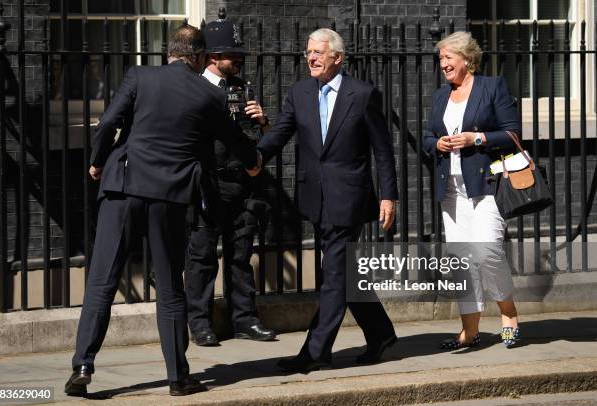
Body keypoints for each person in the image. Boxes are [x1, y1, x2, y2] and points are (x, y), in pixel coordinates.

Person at [64, 25, 259, 397]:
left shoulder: (140, 76)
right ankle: (177, 376)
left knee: (102, 280)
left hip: (122, 185)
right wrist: (254, 162)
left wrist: (96, 160)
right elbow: (234, 140)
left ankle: (83, 363)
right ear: (199, 57)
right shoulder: (209, 95)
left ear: (168, 53)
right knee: (170, 287)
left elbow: (108, 122)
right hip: (169, 196)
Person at [255, 28, 399, 373]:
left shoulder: (362, 94)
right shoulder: (300, 92)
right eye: (308, 52)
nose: (311, 58)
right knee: (343, 272)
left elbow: (382, 150)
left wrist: (389, 196)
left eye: (318, 52)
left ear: (337, 56)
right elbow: (279, 134)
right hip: (314, 198)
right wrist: (254, 158)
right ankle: (380, 333)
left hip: (348, 199)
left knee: (334, 275)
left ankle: (315, 351)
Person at [423, 31, 521, 350]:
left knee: (487, 252)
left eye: (449, 57)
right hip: (451, 190)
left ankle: (508, 313)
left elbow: (512, 134)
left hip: (486, 186)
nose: (444, 64)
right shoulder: (440, 96)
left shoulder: (492, 87)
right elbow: (427, 136)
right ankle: (470, 331)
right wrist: (436, 143)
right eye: (441, 59)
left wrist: (475, 139)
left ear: (467, 59)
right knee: (462, 261)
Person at [184, 16, 276, 346]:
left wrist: (263, 122)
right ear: (212, 57)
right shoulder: (193, 88)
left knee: (240, 256)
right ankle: (199, 322)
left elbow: (257, 138)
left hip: (242, 183)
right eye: (231, 55)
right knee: (203, 257)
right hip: (208, 184)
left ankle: (245, 319)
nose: (238, 59)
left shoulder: (240, 89)